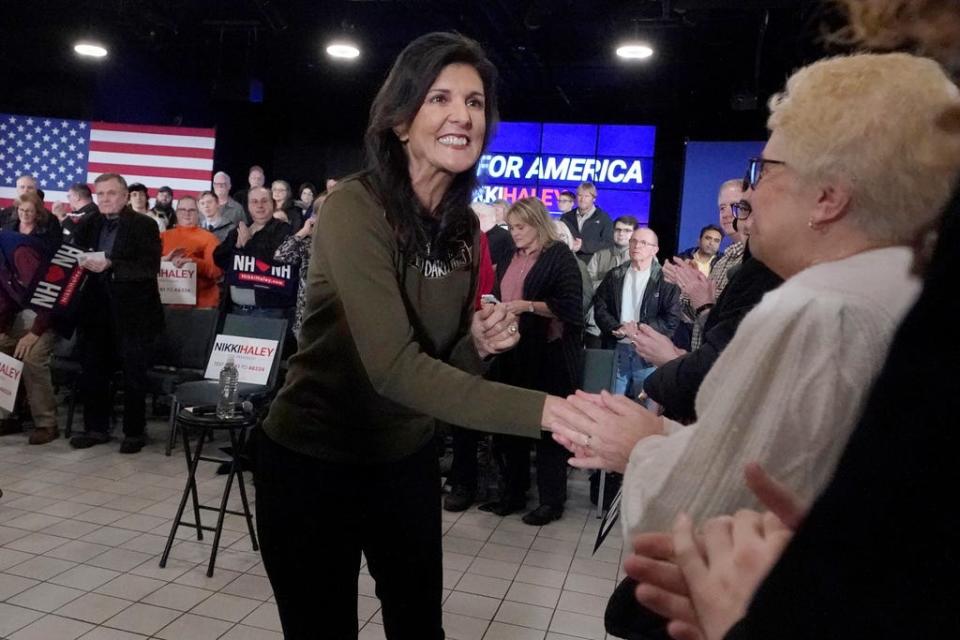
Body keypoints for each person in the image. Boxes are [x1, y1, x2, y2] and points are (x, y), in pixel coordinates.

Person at [549, 53, 960, 541]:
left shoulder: (822, 311)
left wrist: (643, 445)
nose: (749, 197)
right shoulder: (903, 295)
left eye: (763, 172)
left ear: (828, 197)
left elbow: (719, 510)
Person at [254, 32, 567, 639]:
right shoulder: (354, 209)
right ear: (401, 120)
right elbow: (394, 367)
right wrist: (556, 414)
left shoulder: (461, 233)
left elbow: (437, 365)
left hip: (403, 462)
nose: (462, 116)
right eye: (440, 98)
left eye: (475, 103)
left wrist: (477, 344)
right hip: (313, 462)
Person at [478, 198, 583, 525]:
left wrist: (527, 306)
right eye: (511, 227)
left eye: (520, 227)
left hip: (549, 357)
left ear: (538, 223)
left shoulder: (559, 257)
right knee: (511, 425)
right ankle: (512, 492)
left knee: (549, 430)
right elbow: (499, 292)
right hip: (511, 353)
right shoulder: (509, 254)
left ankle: (552, 501)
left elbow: (570, 308)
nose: (514, 233)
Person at [69, 173, 164, 454]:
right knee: (94, 368)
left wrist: (111, 264)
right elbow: (72, 252)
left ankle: (134, 432)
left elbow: (148, 266)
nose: (106, 199)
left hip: (133, 311)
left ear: (125, 196)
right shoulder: (89, 222)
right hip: (95, 308)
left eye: (111, 193)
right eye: (101, 194)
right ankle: (96, 428)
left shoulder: (144, 225)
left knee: (134, 372)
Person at [0, 192, 62, 444]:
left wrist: (34, 333)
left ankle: (46, 423)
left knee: (33, 357)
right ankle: (7, 416)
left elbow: (48, 295)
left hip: (47, 313)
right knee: (2, 349)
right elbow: (3, 295)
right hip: (20, 312)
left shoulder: (22, 252)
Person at [593, 227, 681, 397]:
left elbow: (671, 319)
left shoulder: (665, 280)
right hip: (617, 349)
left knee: (645, 408)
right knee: (612, 405)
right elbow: (600, 306)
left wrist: (639, 329)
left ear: (654, 249)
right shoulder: (615, 275)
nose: (636, 246)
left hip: (648, 353)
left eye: (643, 243)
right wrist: (616, 327)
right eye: (633, 241)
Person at [213, 187, 293, 317]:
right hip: (237, 308)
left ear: (273, 204)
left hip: (269, 310)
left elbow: (275, 257)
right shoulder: (241, 229)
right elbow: (218, 258)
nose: (259, 205)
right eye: (254, 202)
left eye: (264, 201)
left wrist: (248, 244)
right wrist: (236, 248)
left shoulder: (283, 229)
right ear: (248, 206)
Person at [585, 215, 639, 348]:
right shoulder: (599, 255)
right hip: (597, 326)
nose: (621, 234)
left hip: (630, 324)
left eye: (627, 231)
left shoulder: (645, 256)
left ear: (635, 234)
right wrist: (610, 283)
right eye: (618, 230)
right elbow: (587, 285)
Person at [160, 196, 223, 308]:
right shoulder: (163, 237)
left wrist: (192, 262)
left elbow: (216, 271)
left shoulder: (210, 238)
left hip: (202, 305)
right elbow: (148, 266)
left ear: (198, 213)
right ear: (177, 212)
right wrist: (164, 260)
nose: (187, 213)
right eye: (182, 210)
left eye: (191, 210)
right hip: (168, 304)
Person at [273, 209, 317, 340]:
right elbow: (280, 255)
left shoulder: (340, 244)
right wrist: (304, 232)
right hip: (304, 317)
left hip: (332, 315)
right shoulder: (306, 243)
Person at [561, 181, 615, 263]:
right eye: (579, 195)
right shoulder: (566, 218)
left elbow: (608, 243)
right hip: (568, 263)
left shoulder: (604, 218)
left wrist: (583, 246)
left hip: (593, 265)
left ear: (594, 198)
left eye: (586, 196)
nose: (582, 199)